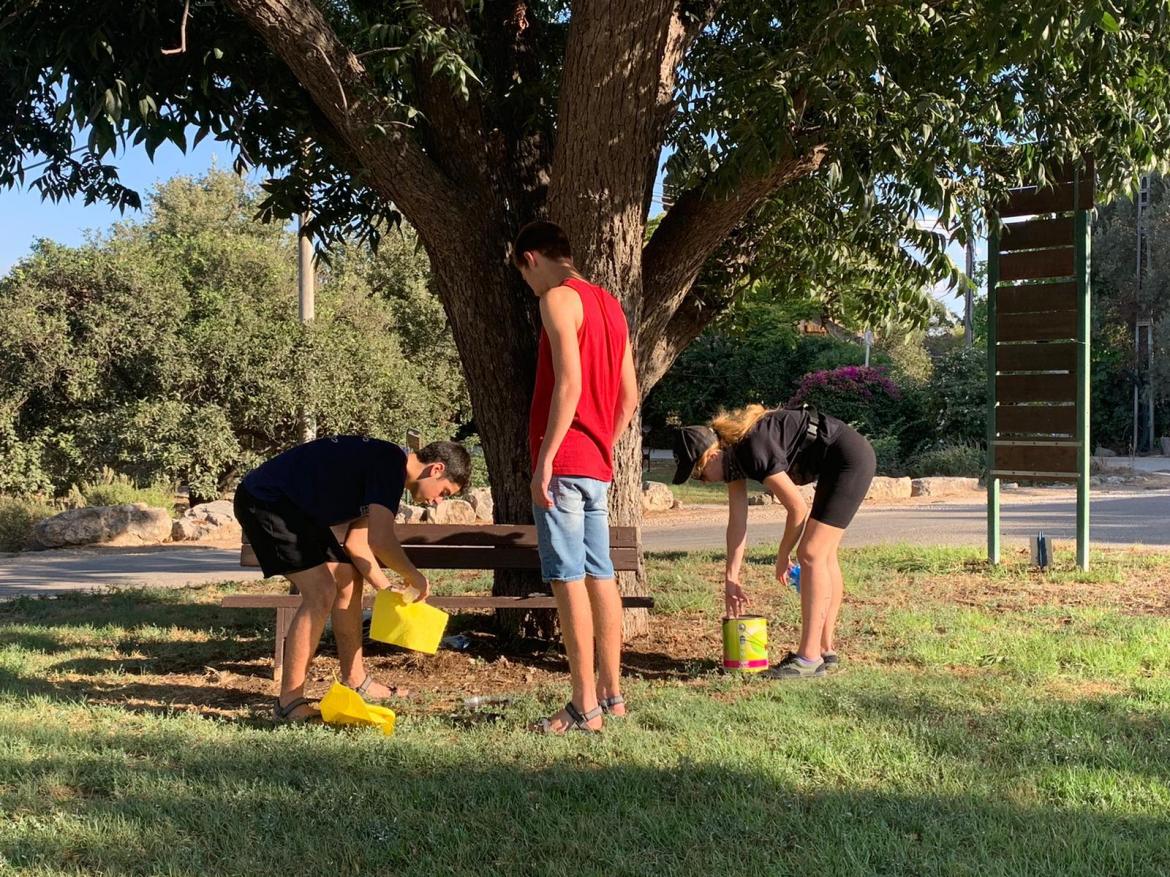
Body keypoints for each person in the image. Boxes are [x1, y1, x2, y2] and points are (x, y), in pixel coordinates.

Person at [233, 436, 471, 722]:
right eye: (444, 492)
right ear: (436, 469)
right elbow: (381, 540)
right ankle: (289, 704)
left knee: (347, 577)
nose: (437, 501)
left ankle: (356, 680)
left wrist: (387, 588)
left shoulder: (388, 470)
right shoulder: (390, 464)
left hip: (295, 510)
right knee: (321, 592)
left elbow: (357, 545)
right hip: (266, 500)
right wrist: (414, 576)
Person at [513, 220, 638, 734]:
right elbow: (629, 398)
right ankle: (613, 695)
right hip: (596, 465)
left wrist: (546, 458)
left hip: (564, 464)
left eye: (525, 275)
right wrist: (601, 443)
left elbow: (570, 384)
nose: (529, 286)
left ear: (531, 258)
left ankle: (584, 705)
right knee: (600, 575)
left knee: (566, 579)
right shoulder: (611, 306)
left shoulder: (558, 299)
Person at [672, 404, 875, 679]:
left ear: (713, 456)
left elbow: (797, 509)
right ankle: (825, 651)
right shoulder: (733, 455)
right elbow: (737, 522)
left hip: (849, 460)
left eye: (699, 474)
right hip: (838, 460)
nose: (703, 482)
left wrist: (782, 556)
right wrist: (731, 578)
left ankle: (808, 658)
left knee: (811, 553)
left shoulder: (752, 450)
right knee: (824, 555)